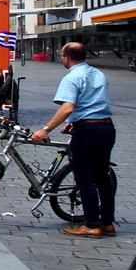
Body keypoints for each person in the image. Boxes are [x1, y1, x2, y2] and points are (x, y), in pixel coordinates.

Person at [31, 43, 115, 237]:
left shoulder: (72, 77)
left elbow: (68, 107)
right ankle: (107, 223)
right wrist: (73, 121)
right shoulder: (98, 73)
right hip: (106, 127)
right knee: (102, 177)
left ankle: (91, 225)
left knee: (85, 178)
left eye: (61, 55)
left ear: (66, 57)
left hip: (87, 130)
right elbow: (91, 102)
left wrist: (45, 129)